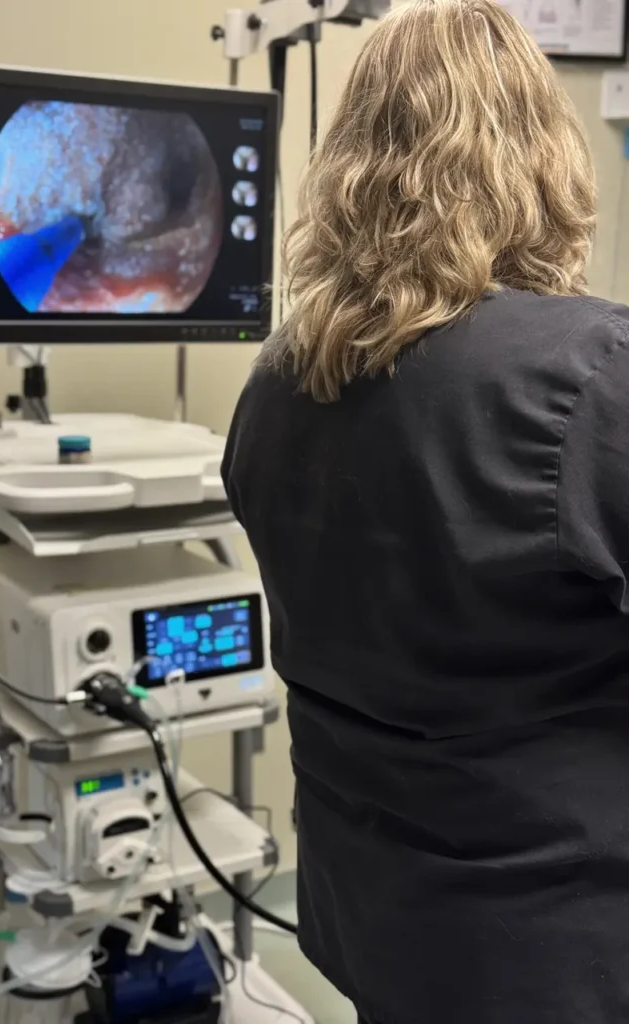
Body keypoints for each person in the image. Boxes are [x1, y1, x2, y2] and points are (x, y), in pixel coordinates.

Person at [222, 1, 629, 1021]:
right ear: (542, 156)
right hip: (560, 944)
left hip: (380, 924)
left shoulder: (277, 386)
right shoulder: (592, 374)